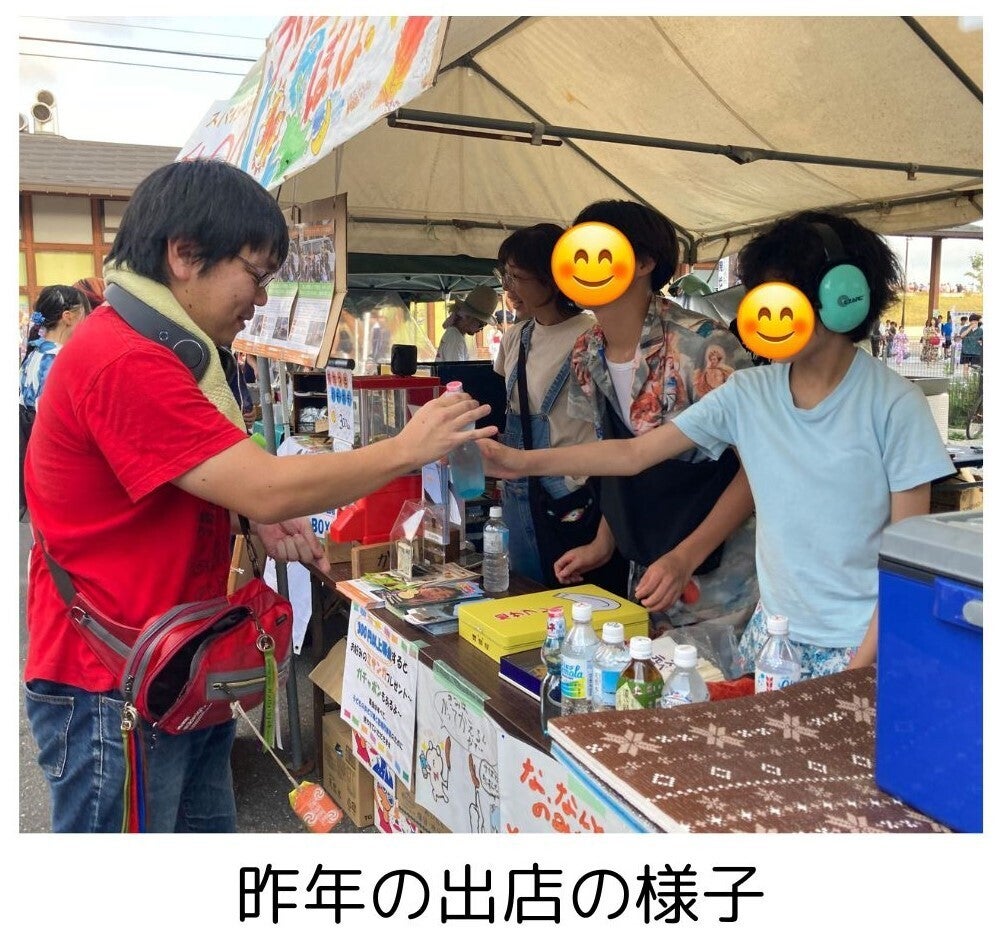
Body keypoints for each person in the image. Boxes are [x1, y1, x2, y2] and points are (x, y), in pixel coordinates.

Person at [22, 158, 494, 833]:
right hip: (110, 682)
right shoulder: (126, 358)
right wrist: (404, 449)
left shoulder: (157, 346)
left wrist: (250, 516)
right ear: (185, 254)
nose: (262, 301)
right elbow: (263, 484)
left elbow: (210, 480)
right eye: (256, 273)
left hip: (172, 659)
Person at [479, 209, 954, 679]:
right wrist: (515, 462)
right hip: (774, 639)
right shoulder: (749, 392)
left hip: (859, 646)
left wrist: (861, 666)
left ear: (843, 297)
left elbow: (908, 564)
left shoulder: (896, 406)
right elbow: (632, 454)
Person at [549, 200, 759, 644]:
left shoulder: (705, 347)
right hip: (650, 562)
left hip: (723, 578)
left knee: (715, 682)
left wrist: (686, 557)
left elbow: (757, 470)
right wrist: (604, 543)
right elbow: (617, 458)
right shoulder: (586, 352)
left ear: (644, 262)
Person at [493, 223, 626, 592]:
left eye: (518, 277)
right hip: (518, 491)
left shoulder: (593, 337)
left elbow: (617, 434)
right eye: (505, 275)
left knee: (570, 600)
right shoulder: (517, 337)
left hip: (571, 497)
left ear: (552, 280)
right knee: (522, 594)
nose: (508, 288)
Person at [19, 284, 92, 521]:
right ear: (68, 317)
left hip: (34, 461)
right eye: (85, 314)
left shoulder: (34, 354)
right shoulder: (61, 360)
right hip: (57, 466)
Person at [435, 285, 499, 361]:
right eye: (481, 324)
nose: (481, 329)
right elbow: (457, 368)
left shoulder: (455, 335)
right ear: (468, 317)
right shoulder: (455, 339)